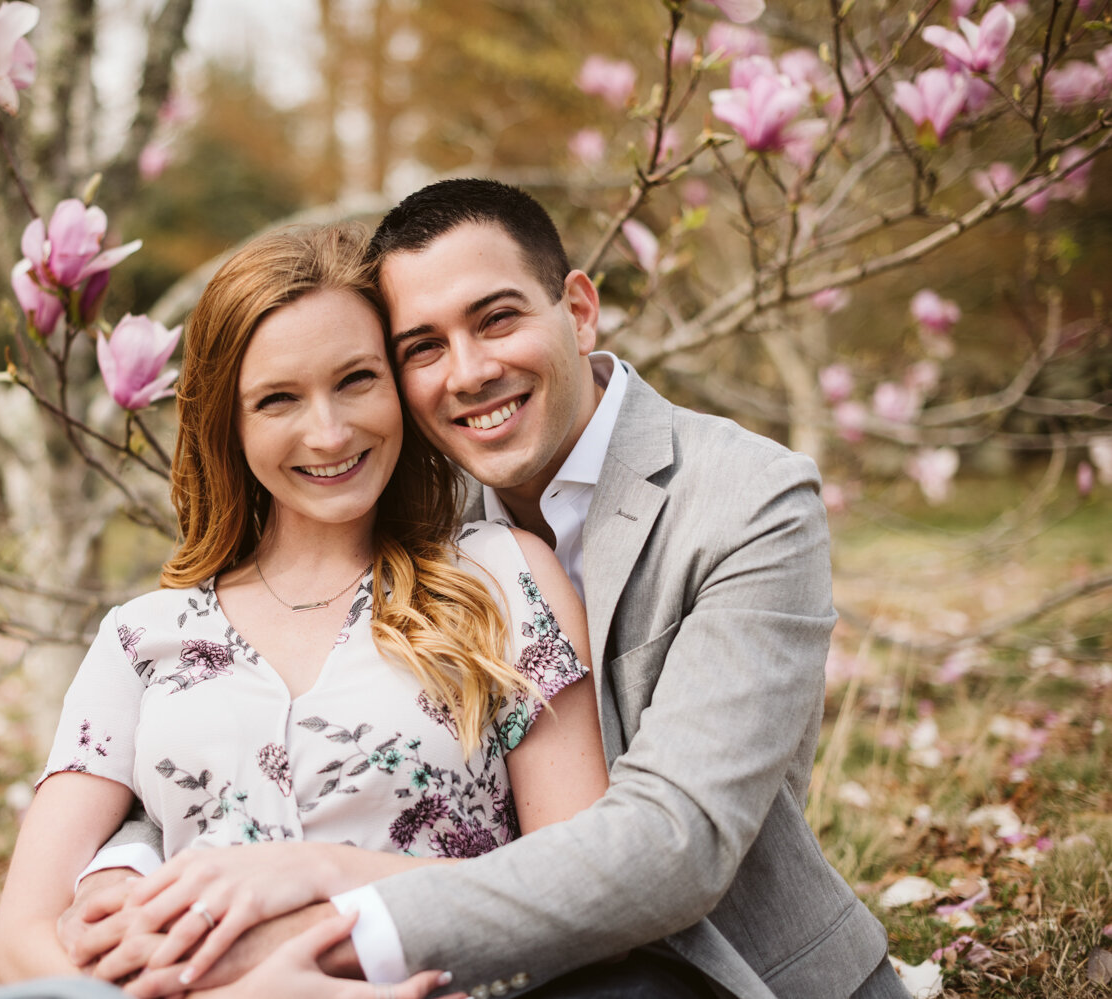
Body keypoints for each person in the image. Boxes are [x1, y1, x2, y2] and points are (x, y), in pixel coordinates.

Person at [62, 180, 908, 999]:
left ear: (577, 311)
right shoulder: (414, 508)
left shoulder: (746, 499)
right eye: (422, 347)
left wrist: (318, 904)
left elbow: (674, 844)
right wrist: (130, 863)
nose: (466, 373)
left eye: (497, 319)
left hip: (712, 963)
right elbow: (235, 742)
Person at [0, 222, 610, 998]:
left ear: (398, 384)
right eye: (277, 399)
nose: (329, 431)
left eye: (357, 379)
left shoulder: (503, 579)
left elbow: (583, 885)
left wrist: (329, 909)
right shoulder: (141, 637)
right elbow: (22, 948)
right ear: (227, 424)